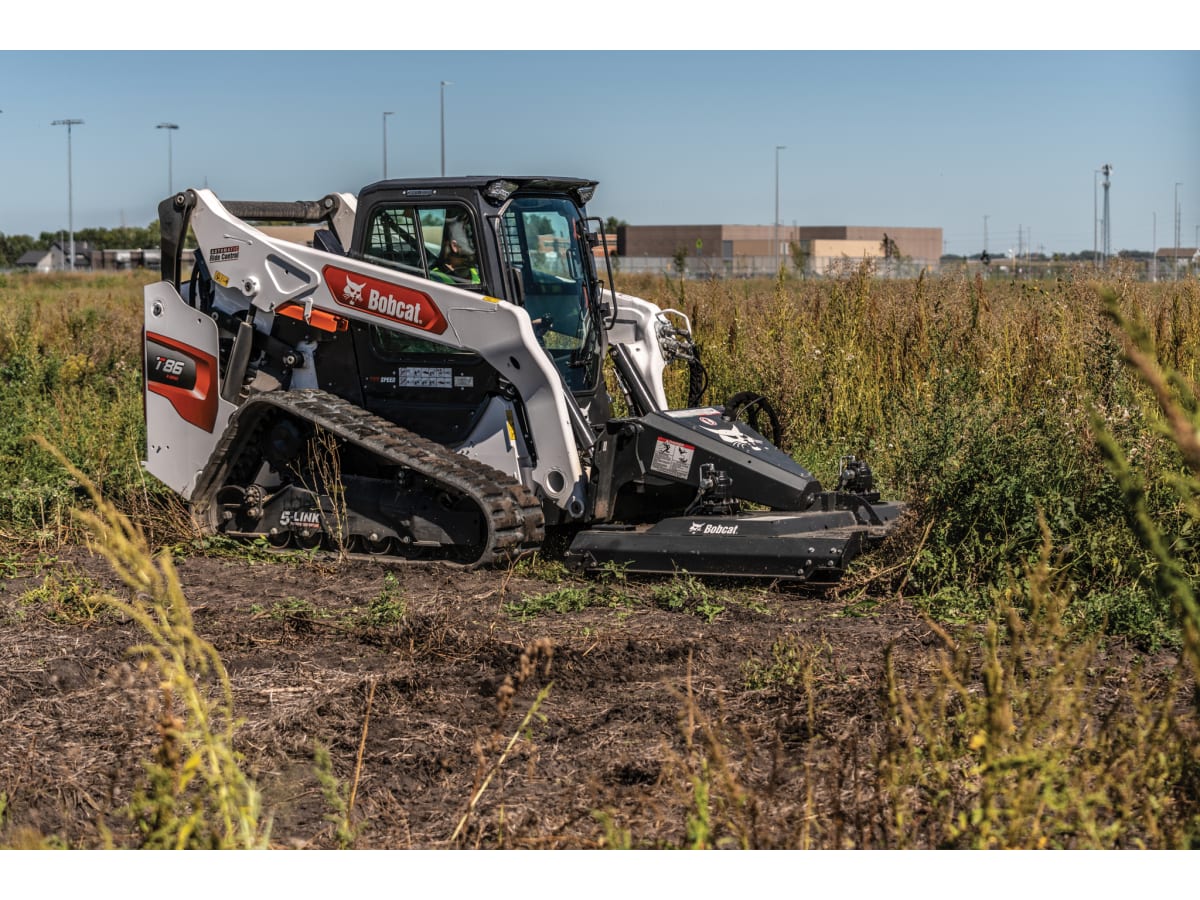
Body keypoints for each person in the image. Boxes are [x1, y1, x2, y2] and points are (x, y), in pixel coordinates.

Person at [431, 215, 480, 285]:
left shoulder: (478, 272)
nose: (476, 246)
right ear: (454, 246)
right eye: (470, 238)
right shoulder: (434, 278)